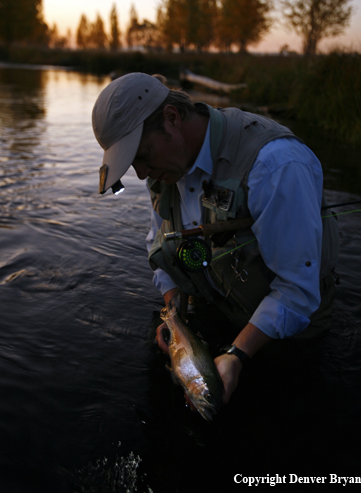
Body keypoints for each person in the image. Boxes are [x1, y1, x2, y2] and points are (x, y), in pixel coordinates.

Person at [92, 72, 339, 406]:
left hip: (291, 341)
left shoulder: (274, 166)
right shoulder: (165, 168)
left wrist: (238, 355)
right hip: (218, 316)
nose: (141, 173)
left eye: (142, 155)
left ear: (172, 118)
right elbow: (157, 242)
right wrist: (175, 317)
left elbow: (298, 290)